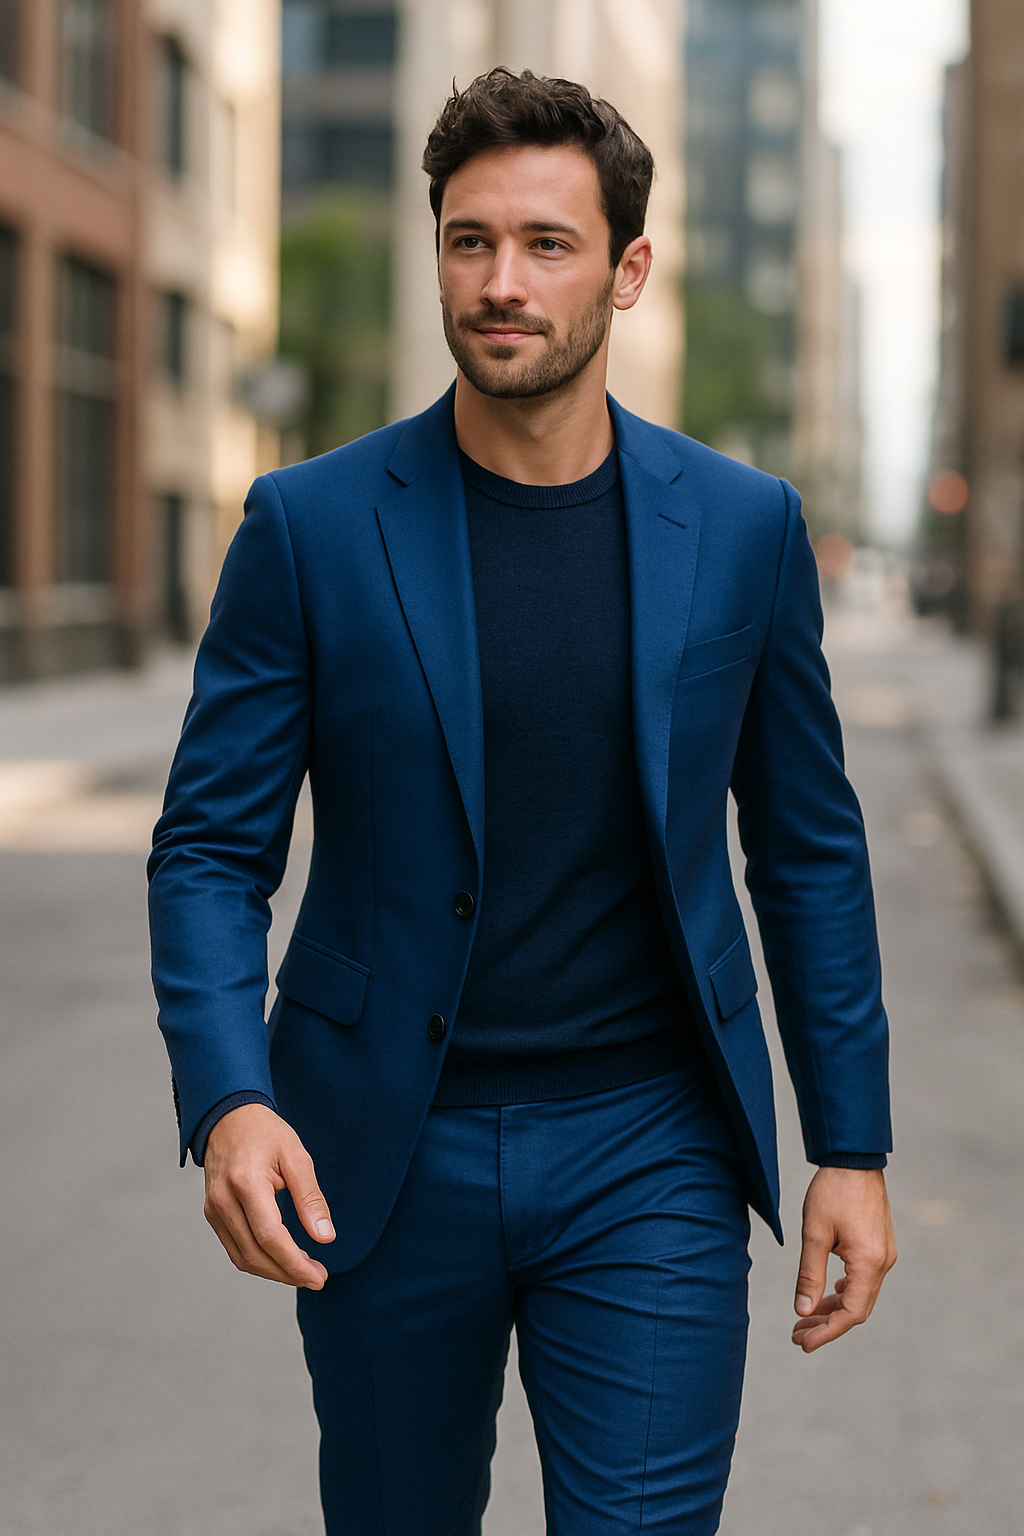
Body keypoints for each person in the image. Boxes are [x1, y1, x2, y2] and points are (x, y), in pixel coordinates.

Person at [149, 67, 896, 1536]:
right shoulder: (310, 527)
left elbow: (807, 849)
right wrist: (230, 1098)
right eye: (468, 239)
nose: (501, 282)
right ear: (435, 252)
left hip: (652, 1148)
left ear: (626, 269)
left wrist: (851, 1147)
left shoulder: (745, 531)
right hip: (380, 1152)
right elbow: (210, 848)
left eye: (546, 244)